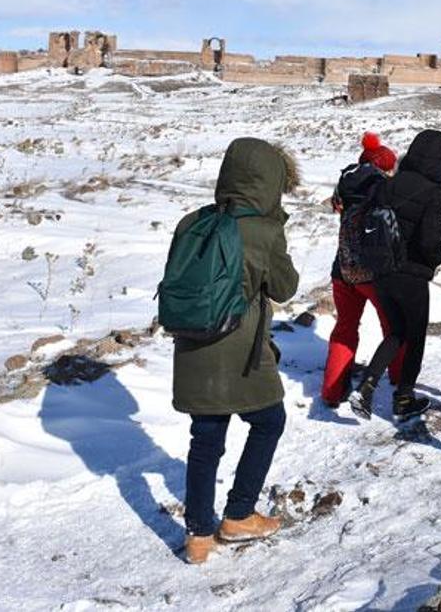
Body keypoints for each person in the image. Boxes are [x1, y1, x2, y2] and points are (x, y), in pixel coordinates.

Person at [174, 137, 300, 565]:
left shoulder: (193, 222)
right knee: (270, 421)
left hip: (192, 347)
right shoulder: (262, 231)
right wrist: (275, 226)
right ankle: (239, 514)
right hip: (241, 349)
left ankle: (197, 536)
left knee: (205, 438)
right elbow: (285, 287)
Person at [349, 129, 441, 420]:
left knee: (397, 331)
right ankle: (404, 399)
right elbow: (428, 242)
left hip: (381, 271)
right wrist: (435, 260)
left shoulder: (388, 184)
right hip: (411, 275)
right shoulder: (433, 193)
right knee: (415, 337)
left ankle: (367, 386)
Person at [320, 132, 404, 406]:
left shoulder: (345, 183)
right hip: (376, 272)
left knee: (344, 328)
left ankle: (332, 391)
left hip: (342, 270)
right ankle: (399, 378)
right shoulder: (382, 187)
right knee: (394, 326)